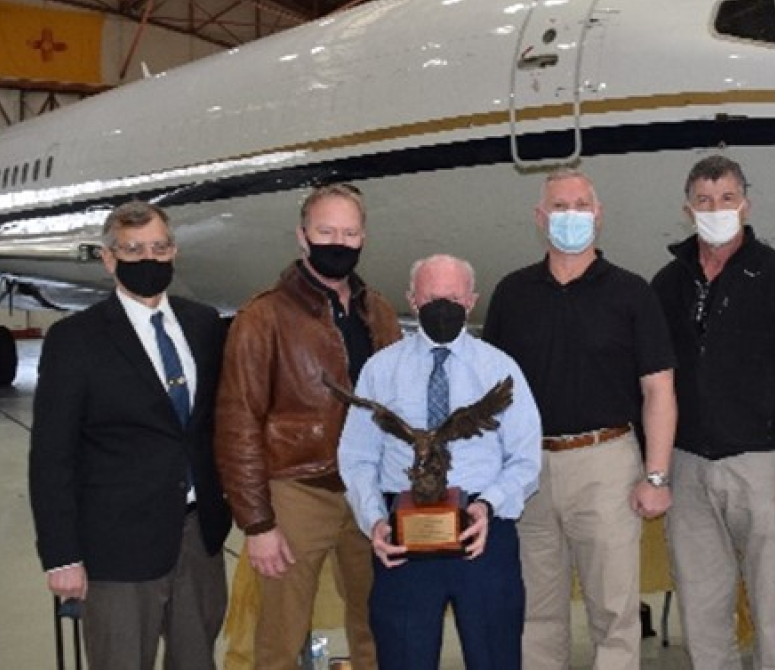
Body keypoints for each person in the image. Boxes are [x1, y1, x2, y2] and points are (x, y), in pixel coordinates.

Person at [482, 168, 677, 669]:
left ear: (599, 215)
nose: (572, 216)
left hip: (606, 462)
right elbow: (491, 398)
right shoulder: (512, 294)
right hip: (529, 471)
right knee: (535, 614)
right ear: (540, 218)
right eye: (560, 207)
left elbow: (659, 390)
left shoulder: (632, 293)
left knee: (613, 612)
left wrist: (656, 476)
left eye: (581, 205)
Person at [30, 200, 231, 669]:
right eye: (133, 249)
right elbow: (51, 456)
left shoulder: (203, 325)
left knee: (197, 660)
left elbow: (214, 425)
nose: (149, 259)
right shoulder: (74, 339)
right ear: (108, 257)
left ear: (174, 250)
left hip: (198, 538)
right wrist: (61, 556)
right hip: (116, 548)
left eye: (159, 247)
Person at [650, 155, 775, 670]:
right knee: (701, 607)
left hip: (765, 466)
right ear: (688, 210)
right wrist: (655, 467)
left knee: (773, 613)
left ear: (745, 204)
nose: (716, 209)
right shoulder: (667, 285)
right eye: (704, 201)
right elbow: (650, 380)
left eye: (727, 199)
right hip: (688, 466)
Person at [214, 183, 401, 670]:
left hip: (367, 492)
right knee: (280, 634)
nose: (337, 242)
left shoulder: (378, 312)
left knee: (378, 624)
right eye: (325, 231)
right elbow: (238, 423)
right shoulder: (263, 316)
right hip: (296, 491)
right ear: (302, 237)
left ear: (363, 239)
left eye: (349, 232)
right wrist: (258, 524)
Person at [338, 254, 542, 669]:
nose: (442, 306)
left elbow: (524, 457)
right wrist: (375, 519)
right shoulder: (381, 369)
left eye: (452, 297)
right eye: (431, 297)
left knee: (496, 656)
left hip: (483, 534)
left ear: (472, 300)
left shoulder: (500, 369)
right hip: (402, 541)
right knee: (404, 657)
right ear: (412, 300)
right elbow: (357, 457)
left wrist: (490, 505)